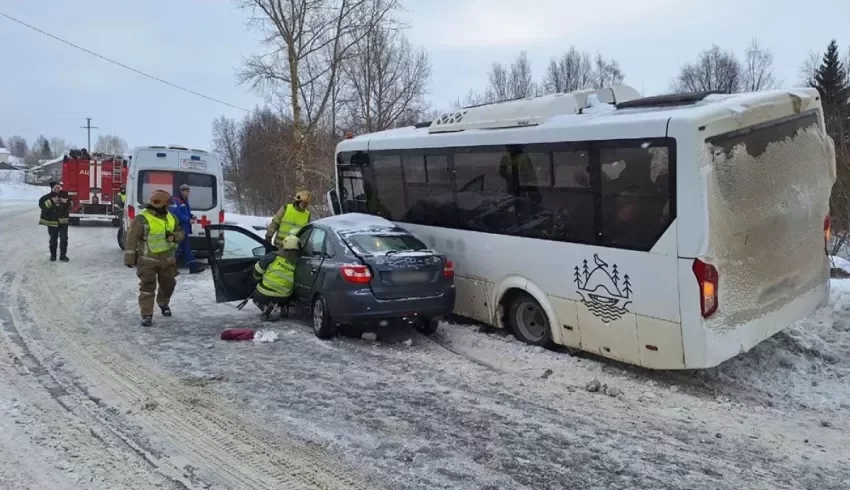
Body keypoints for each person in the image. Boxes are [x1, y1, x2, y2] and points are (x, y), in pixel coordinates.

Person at [124, 190, 184, 327]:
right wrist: (129, 258)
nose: (169, 207)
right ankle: (146, 314)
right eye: (167, 205)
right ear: (161, 205)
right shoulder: (142, 219)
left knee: (169, 285)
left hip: (167, 260)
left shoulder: (172, 217)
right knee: (147, 286)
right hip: (147, 261)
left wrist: (175, 237)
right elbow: (131, 238)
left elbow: (181, 231)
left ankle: (163, 303)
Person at [252, 235, 300, 321]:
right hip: (285, 295)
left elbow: (258, 270)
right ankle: (284, 306)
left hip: (266, 292)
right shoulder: (298, 262)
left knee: (256, 298)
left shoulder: (273, 256)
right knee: (289, 291)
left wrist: (258, 279)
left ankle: (264, 307)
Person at [169, 184, 205, 274]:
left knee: (186, 248)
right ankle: (171, 269)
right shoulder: (175, 201)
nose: (188, 193)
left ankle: (193, 267)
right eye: (186, 191)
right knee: (178, 249)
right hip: (178, 228)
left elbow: (186, 212)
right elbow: (176, 215)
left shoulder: (184, 200)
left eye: (188, 191)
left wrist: (191, 216)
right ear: (181, 191)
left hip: (185, 228)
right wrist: (188, 219)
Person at [38, 181, 71, 262]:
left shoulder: (64, 195)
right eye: (56, 188)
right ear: (52, 188)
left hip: (63, 222)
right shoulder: (46, 197)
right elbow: (43, 206)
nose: (58, 189)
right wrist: (52, 201)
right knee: (53, 240)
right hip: (52, 222)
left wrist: (66, 202)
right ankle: (53, 256)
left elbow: (71, 204)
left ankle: (63, 256)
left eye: (59, 187)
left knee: (64, 239)